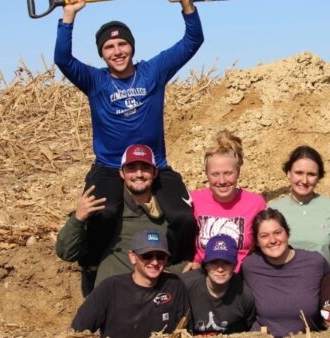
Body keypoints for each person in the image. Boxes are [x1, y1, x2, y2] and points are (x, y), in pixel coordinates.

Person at [54, 0, 202, 293]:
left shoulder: (153, 72)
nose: (117, 51)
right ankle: (93, 264)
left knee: (184, 217)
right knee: (105, 213)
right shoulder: (95, 80)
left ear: (131, 47)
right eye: (109, 48)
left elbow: (192, 40)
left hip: (154, 165)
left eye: (122, 44)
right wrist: (68, 15)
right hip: (109, 167)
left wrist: (186, 4)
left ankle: (178, 264)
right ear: (101, 53)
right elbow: (63, 59)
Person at [57, 144, 191, 292]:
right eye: (131, 168)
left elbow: (184, 261)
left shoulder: (169, 214)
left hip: (154, 300)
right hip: (111, 300)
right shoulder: (105, 212)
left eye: (145, 168)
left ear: (155, 172)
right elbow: (66, 253)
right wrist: (78, 218)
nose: (139, 174)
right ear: (121, 173)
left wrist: (172, 273)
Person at [71, 228, 192, 338]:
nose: (155, 262)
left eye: (161, 256)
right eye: (147, 255)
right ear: (133, 257)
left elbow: (185, 331)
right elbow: (76, 331)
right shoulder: (110, 288)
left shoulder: (175, 286)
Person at [242, 208, 330, 338]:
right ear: (256, 241)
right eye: (264, 236)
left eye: (277, 232)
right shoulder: (250, 266)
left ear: (287, 233)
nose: (272, 240)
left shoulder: (314, 262)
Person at [189, 130, 266, 272]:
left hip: (240, 278)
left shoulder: (256, 204)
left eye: (228, 173)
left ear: (238, 173)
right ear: (207, 174)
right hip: (204, 275)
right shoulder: (193, 200)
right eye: (215, 174)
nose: (222, 181)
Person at [269, 145, 330, 266]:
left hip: (324, 282)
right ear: (288, 173)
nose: (304, 181)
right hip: (284, 282)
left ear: (319, 177)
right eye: (299, 173)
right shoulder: (273, 210)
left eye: (311, 174)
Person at [180, 234, 256, 334]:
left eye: (227, 262)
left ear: (235, 265)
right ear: (206, 265)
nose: (220, 269)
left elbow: (251, 330)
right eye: (214, 262)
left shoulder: (244, 294)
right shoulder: (185, 284)